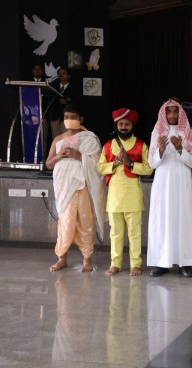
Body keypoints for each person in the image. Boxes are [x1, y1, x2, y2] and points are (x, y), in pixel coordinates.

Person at [45, 103, 106, 272]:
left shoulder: (90, 139)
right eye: (66, 117)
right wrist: (59, 155)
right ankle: (62, 258)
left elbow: (99, 165)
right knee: (65, 221)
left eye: (73, 117)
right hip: (65, 187)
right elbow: (48, 164)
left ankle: (87, 259)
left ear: (81, 119)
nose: (69, 120)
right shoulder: (58, 139)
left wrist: (79, 156)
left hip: (83, 185)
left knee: (86, 220)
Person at [147, 98, 192, 277]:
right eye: (168, 111)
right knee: (162, 220)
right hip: (162, 183)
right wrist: (160, 151)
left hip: (182, 182)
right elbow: (151, 163)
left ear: (180, 113)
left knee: (183, 219)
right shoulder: (157, 132)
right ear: (164, 113)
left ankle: (185, 263)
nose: (172, 115)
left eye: (175, 111)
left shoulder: (189, 133)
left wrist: (180, 149)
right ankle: (161, 262)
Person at [97, 108, 153, 276]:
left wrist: (130, 164)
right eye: (120, 124)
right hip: (114, 196)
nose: (123, 127)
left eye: (127, 124)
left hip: (133, 195)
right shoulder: (108, 145)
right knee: (115, 232)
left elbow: (149, 169)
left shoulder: (141, 145)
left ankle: (136, 264)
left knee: (134, 233)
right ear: (116, 126)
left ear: (132, 126)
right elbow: (100, 168)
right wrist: (114, 164)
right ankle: (115, 264)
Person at [49, 68, 74, 138]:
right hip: (54, 116)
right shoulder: (53, 86)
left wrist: (67, 101)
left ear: (68, 76)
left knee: (66, 138)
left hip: (67, 117)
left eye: (63, 73)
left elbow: (76, 101)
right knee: (56, 138)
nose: (61, 75)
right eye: (59, 73)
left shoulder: (73, 87)